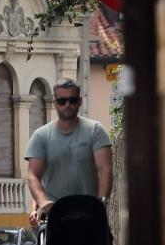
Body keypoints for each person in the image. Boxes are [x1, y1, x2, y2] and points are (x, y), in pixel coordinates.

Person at [25, 78, 113, 226]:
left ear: (79, 101)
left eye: (72, 100)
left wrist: (101, 203)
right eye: (62, 101)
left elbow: (106, 169)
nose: (67, 105)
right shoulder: (41, 136)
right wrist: (42, 202)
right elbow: (33, 175)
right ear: (55, 103)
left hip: (89, 213)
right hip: (55, 215)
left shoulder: (95, 131)